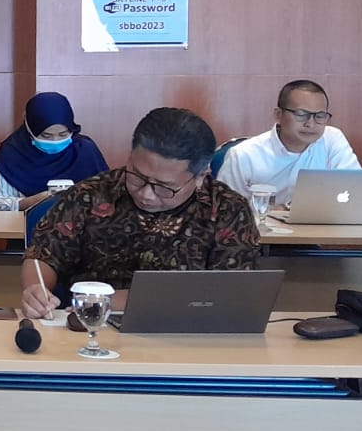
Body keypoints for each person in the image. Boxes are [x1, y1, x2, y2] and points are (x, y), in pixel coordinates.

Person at [20, 107, 261, 319]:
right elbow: (44, 254)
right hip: (90, 326)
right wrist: (36, 289)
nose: (146, 194)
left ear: (200, 176)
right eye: (136, 175)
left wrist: (116, 301)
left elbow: (229, 292)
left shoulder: (227, 210)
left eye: (164, 187)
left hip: (186, 331)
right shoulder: (90, 195)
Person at [218, 79, 361, 208]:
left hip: (322, 227)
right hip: (261, 228)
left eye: (320, 116)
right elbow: (224, 210)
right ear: (278, 115)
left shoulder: (332, 139)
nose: (310, 124)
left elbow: (356, 188)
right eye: (301, 114)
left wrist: (287, 208)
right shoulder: (243, 155)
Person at [0, 91, 109, 211]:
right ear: (30, 129)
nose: (55, 141)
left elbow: (109, 194)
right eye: (46, 136)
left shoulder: (85, 150)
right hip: (26, 222)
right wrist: (38, 200)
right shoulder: (10, 154)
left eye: (63, 134)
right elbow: (0, 204)